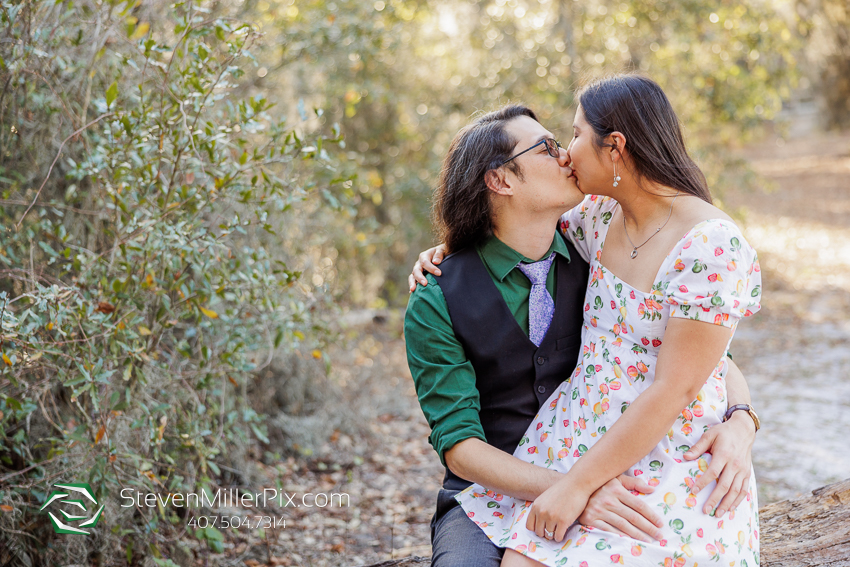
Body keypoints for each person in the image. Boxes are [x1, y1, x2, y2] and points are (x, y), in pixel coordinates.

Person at [405, 88, 760, 567]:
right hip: (495, 483)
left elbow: (703, 358)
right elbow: (460, 448)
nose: (566, 155)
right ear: (501, 180)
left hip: (621, 460)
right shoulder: (440, 295)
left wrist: (741, 419)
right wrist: (574, 488)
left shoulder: (590, 241)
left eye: (568, 138)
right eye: (549, 147)